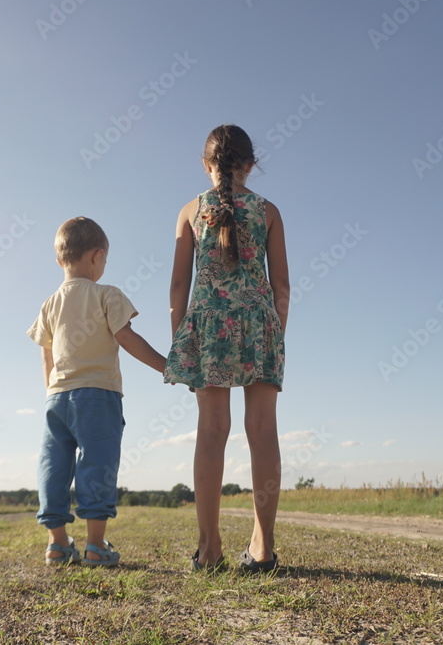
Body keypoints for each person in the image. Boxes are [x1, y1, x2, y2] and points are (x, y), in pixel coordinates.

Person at [164, 124, 290, 572]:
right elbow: (282, 287)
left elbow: (178, 286)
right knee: (263, 432)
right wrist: (277, 334)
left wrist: (183, 339)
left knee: (211, 432)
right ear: (250, 164)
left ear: (207, 164)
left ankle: (209, 548)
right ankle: (262, 548)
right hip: (259, 325)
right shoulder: (269, 211)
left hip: (208, 326)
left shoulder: (190, 210)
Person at [28, 217, 166, 567]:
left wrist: (51, 391)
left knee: (53, 465)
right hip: (99, 394)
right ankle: (94, 544)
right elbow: (127, 338)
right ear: (97, 256)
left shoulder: (49, 304)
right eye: (104, 261)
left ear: (60, 260)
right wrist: (167, 366)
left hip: (56, 397)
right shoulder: (108, 295)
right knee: (97, 464)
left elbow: (46, 354)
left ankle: (57, 544)